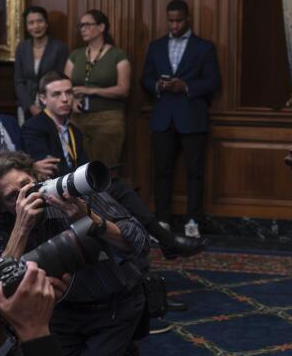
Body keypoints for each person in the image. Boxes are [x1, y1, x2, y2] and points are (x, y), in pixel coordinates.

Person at [0, 150, 149, 356]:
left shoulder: (72, 191)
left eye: (26, 184)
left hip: (113, 306)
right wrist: (21, 227)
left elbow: (140, 244)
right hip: (62, 312)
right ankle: (110, 353)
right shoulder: (8, 223)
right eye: (12, 196)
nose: (26, 194)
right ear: (0, 206)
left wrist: (90, 219)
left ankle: (123, 343)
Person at [21, 71, 205, 259]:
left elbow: (83, 165)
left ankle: (143, 249)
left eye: (69, 93)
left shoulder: (74, 130)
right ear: (43, 99)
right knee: (117, 194)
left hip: (78, 187)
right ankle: (164, 242)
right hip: (57, 194)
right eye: (57, 94)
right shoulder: (34, 127)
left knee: (120, 192)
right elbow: (49, 171)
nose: (65, 99)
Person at [140, 0, 221, 238]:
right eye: (171, 21)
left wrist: (186, 86)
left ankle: (193, 220)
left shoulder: (204, 47)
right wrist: (158, 85)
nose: (174, 25)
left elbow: (213, 82)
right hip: (163, 116)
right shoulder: (155, 46)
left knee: (195, 172)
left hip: (192, 117)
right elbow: (144, 79)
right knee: (161, 172)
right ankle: (163, 220)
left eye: (179, 20)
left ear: (188, 19)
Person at [64, 10, 130, 169]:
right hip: (77, 118)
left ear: (101, 27)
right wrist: (71, 101)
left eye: (87, 25)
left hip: (107, 119)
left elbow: (123, 90)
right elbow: (64, 85)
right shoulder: (76, 54)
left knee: (104, 169)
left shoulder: (117, 54)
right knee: (77, 167)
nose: (82, 29)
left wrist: (91, 91)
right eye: (81, 25)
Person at [13, 5, 69, 120]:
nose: (36, 26)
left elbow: (60, 79)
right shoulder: (22, 48)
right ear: (27, 26)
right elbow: (18, 81)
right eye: (31, 23)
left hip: (52, 105)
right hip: (25, 106)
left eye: (40, 21)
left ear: (46, 23)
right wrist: (31, 106)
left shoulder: (59, 48)